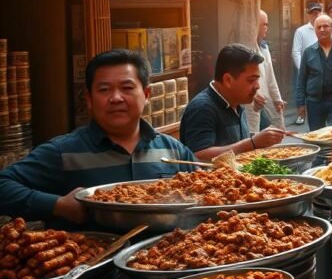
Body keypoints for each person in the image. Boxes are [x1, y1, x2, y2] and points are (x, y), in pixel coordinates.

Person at [0, 50, 197, 223]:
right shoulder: (63, 152)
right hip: (91, 261)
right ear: (89, 99)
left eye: (127, 88)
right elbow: (4, 185)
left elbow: (208, 189)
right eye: (104, 90)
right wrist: (57, 205)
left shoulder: (173, 150)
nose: (116, 98)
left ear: (146, 94)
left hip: (165, 261)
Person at [180, 44, 291, 160]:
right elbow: (197, 156)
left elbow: (238, 146)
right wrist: (252, 143)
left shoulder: (237, 101)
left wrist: (260, 140)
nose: (257, 86)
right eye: (251, 80)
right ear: (228, 80)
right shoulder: (202, 108)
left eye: (258, 80)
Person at [296, 15, 332, 131]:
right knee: (316, 135)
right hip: (314, 102)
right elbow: (301, 78)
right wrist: (300, 103)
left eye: (325, 26)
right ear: (315, 30)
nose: (322, 29)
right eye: (319, 27)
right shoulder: (309, 52)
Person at [244, 10, 286, 131]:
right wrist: (252, 94)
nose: (266, 28)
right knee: (252, 134)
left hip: (265, 97)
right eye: (264, 25)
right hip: (251, 99)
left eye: (267, 25)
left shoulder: (264, 47)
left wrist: (277, 98)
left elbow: (270, 76)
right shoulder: (245, 47)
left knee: (275, 131)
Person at [291, 2, 322, 125]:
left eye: (317, 12)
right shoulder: (301, 31)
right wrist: (301, 68)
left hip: (321, 66)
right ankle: (301, 114)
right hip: (305, 66)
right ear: (308, 14)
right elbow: (296, 51)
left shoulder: (325, 28)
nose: (315, 15)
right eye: (312, 13)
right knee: (300, 90)